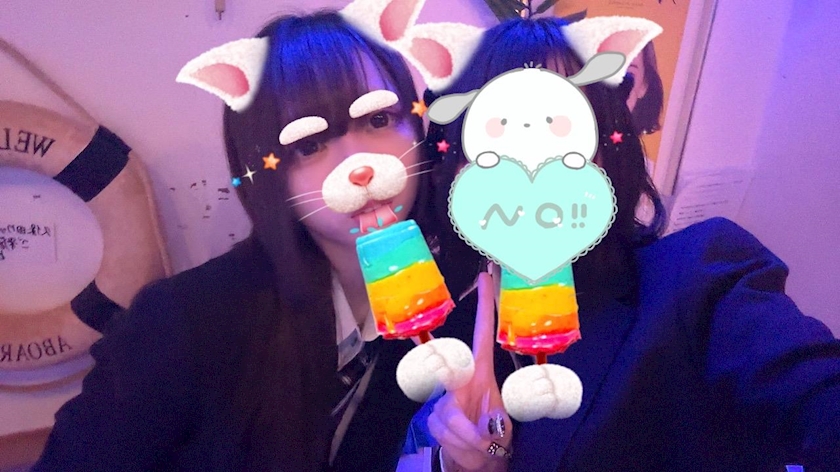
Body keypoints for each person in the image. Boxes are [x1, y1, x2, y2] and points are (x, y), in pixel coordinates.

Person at [402, 16, 840, 472]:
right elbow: (501, 451)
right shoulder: (459, 336)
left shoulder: (696, 278)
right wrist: (481, 458)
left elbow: (819, 399)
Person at [32, 11, 442, 472]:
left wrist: (481, 452)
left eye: (379, 119)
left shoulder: (459, 306)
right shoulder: (181, 324)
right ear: (267, 173)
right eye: (309, 145)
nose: (357, 163)